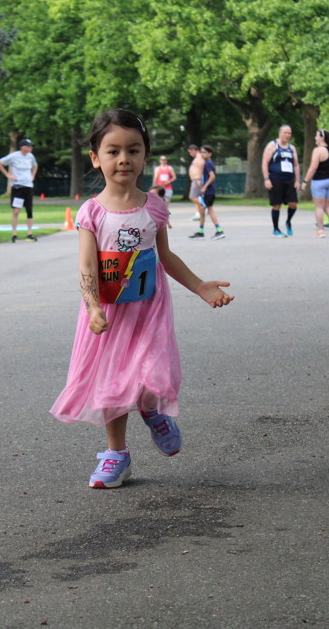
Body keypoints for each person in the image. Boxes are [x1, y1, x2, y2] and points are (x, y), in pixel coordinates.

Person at [51, 109, 234, 489]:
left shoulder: (154, 207)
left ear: (145, 156)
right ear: (95, 158)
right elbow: (86, 264)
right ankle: (116, 454)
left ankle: (152, 411)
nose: (124, 159)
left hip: (149, 310)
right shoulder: (92, 212)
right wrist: (92, 307)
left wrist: (200, 286)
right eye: (113, 151)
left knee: (153, 372)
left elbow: (166, 256)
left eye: (133, 150)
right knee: (112, 383)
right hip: (108, 314)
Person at [261, 124, 301, 237]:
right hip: (275, 179)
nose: (287, 135)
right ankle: (276, 229)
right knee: (276, 204)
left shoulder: (292, 148)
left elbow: (296, 165)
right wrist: (266, 179)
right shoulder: (272, 145)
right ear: (280, 133)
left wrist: (297, 181)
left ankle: (288, 221)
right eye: (285, 133)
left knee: (293, 204)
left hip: (289, 179)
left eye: (289, 133)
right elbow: (265, 162)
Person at [0, 138, 39, 242]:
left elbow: (35, 166)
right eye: (29, 146)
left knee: (29, 210)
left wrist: (33, 176)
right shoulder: (14, 156)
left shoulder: (30, 156)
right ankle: (14, 233)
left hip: (28, 186)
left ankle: (30, 233)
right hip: (18, 186)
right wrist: (8, 175)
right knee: (16, 210)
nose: (31, 148)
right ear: (23, 147)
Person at [303, 129, 329, 238]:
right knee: (328, 206)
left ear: (321, 138)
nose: (315, 138)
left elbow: (313, 167)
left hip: (319, 181)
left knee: (319, 207)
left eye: (317, 136)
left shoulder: (318, 151)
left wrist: (305, 181)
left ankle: (320, 230)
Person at [189, 145, 225, 239]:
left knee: (209, 210)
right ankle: (201, 232)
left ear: (210, 154)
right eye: (201, 152)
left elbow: (212, 176)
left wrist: (204, 187)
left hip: (208, 191)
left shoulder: (208, 163)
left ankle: (219, 231)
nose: (202, 154)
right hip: (207, 191)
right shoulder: (206, 162)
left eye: (204, 152)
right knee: (202, 210)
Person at [152, 155, 176, 228]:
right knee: (159, 205)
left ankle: (167, 222)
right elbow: (155, 178)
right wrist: (154, 187)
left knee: (165, 206)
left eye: (164, 159)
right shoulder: (157, 169)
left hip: (168, 188)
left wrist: (169, 181)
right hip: (160, 188)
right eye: (162, 159)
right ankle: (161, 220)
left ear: (166, 160)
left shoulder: (169, 168)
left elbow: (174, 177)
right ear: (160, 161)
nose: (163, 161)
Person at [186, 145, 205, 222]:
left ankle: (204, 206)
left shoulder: (199, 157)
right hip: (195, 179)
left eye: (190, 152)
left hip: (197, 179)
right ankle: (198, 214)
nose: (190, 154)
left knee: (192, 197)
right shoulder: (196, 158)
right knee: (197, 197)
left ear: (193, 150)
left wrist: (199, 179)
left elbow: (201, 166)